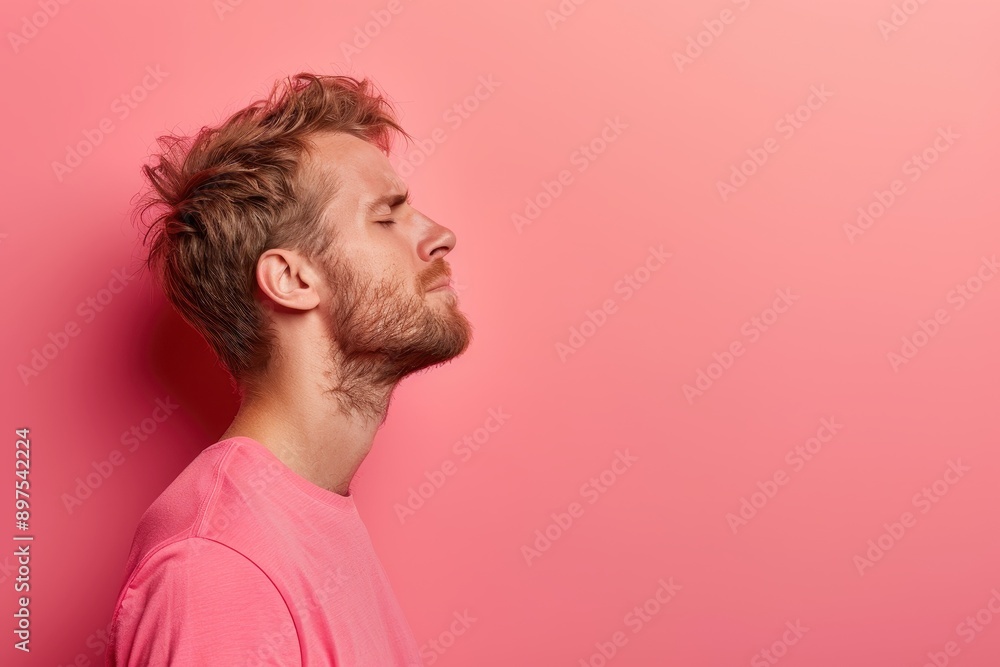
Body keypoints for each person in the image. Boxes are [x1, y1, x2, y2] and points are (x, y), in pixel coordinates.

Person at [107, 72, 473, 666]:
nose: (440, 236)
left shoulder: (307, 514)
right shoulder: (217, 569)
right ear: (293, 280)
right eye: (386, 218)